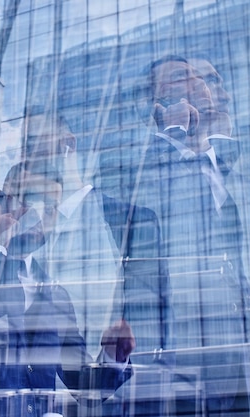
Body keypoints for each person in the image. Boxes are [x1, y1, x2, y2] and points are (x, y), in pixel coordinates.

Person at [133, 55, 250, 416]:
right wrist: (168, 132)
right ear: (156, 103)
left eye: (210, 79)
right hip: (179, 384)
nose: (208, 88)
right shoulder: (139, 180)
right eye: (183, 78)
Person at [0, 161, 90, 417]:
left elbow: (83, 386)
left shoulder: (56, 294)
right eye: (31, 200)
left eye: (50, 207)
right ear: (0, 205)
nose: (39, 215)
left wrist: (114, 356)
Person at [25, 113, 171, 364]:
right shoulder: (28, 233)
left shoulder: (132, 222)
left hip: (107, 391)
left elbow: (144, 338)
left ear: (67, 144)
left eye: (32, 144)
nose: (24, 157)